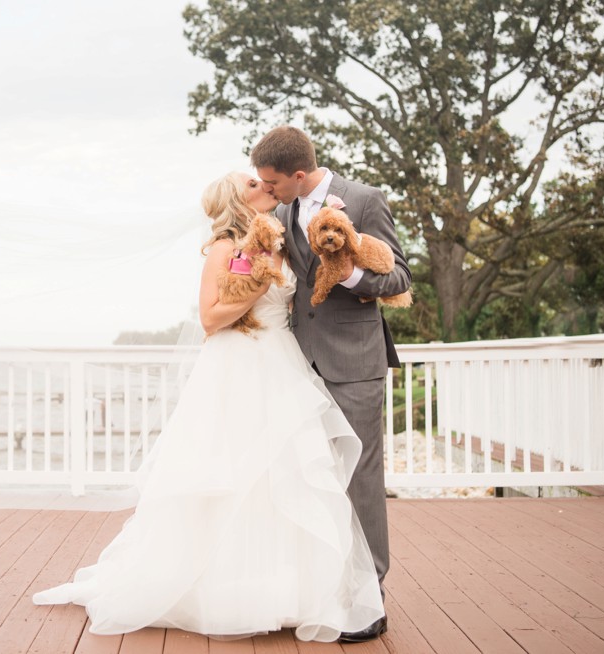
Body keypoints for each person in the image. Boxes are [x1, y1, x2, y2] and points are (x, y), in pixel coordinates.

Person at [32, 172, 384, 642]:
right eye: (254, 183)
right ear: (240, 200)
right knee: (231, 472)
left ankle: (291, 590)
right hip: (235, 366)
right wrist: (258, 284)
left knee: (283, 474)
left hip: (282, 363)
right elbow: (209, 319)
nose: (266, 186)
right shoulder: (225, 248)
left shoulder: (280, 240)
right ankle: (219, 589)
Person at [251, 125, 412, 642]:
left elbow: (400, 277)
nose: (268, 192)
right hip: (299, 362)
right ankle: (324, 585)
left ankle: (370, 598)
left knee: (361, 476)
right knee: (312, 475)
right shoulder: (280, 213)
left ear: (299, 175)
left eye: (273, 184)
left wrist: (347, 275)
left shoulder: (364, 200)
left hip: (354, 361)